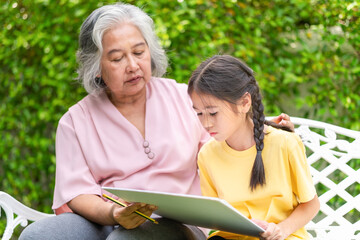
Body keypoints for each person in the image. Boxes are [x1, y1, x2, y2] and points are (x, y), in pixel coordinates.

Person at [19, 3, 293, 240]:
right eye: (117, 58)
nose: (133, 65)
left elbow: (227, 141)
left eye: (139, 52)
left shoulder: (184, 97)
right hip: (105, 221)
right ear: (96, 66)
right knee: (38, 235)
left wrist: (268, 130)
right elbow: (77, 193)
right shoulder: (75, 121)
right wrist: (114, 213)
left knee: (131, 238)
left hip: (178, 226)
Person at [187, 55, 320, 240]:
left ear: (244, 103)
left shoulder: (285, 144)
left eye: (213, 113)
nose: (206, 123)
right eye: (199, 113)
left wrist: (280, 230)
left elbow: (311, 205)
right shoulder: (207, 155)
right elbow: (216, 216)